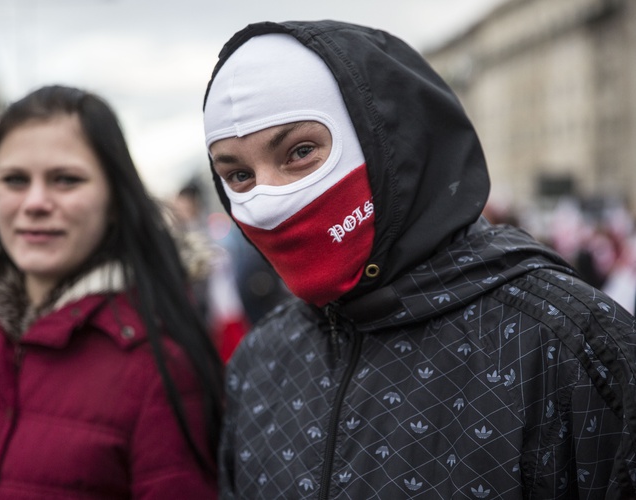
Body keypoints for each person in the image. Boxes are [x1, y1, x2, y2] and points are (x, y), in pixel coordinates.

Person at [202, 21, 636, 498]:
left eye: (301, 151)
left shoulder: (568, 342)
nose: (267, 199)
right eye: (239, 175)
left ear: (388, 144)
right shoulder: (260, 361)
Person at [0, 85, 223, 499]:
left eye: (65, 179)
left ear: (114, 200)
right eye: (14, 180)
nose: (35, 202)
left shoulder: (160, 366)